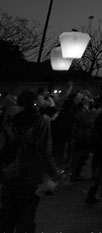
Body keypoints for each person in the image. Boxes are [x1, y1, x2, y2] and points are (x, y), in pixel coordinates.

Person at [0, 89, 59, 233]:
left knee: (7, 217)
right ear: (35, 103)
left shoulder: (11, 121)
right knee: (26, 218)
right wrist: (54, 173)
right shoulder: (42, 122)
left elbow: (3, 147)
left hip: (10, 173)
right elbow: (45, 152)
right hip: (30, 176)